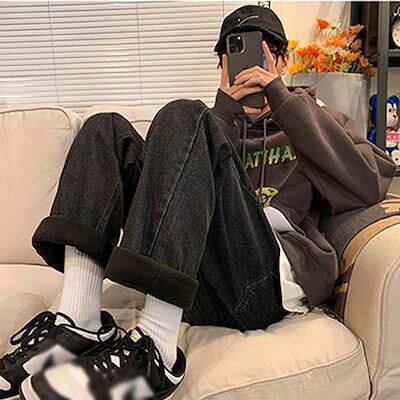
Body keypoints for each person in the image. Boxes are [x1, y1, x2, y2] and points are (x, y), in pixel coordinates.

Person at [1, 5, 396, 400]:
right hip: (194, 284)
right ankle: (79, 322)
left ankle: (156, 354)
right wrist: (223, 112)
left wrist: (282, 98)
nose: (248, 66)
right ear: (222, 64)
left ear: (283, 59)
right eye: (233, 54)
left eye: (263, 52)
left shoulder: (317, 121)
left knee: (184, 114)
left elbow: (366, 185)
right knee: (104, 128)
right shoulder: (206, 127)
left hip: (262, 285)